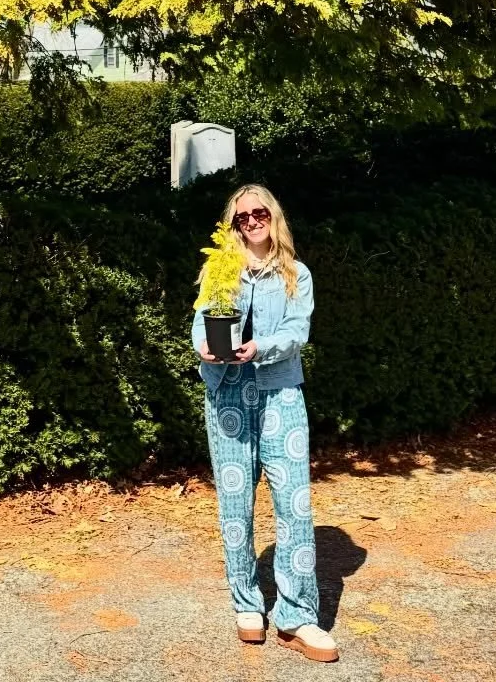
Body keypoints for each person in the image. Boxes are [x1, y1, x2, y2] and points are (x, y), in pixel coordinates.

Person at [192, 183, 338, 663]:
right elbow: (199, 323)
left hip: (280, 393)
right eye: (242, 217)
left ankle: (298, 616)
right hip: (228, 394)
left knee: (294, 502)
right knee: (235, 504)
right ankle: (247, 604)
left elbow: (298, 331)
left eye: (259, 213)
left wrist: (261, 348)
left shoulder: (297, 273)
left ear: (273, 217)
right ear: (232, 225)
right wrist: (204, 348)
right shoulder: (220, 270)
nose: (251, 221)